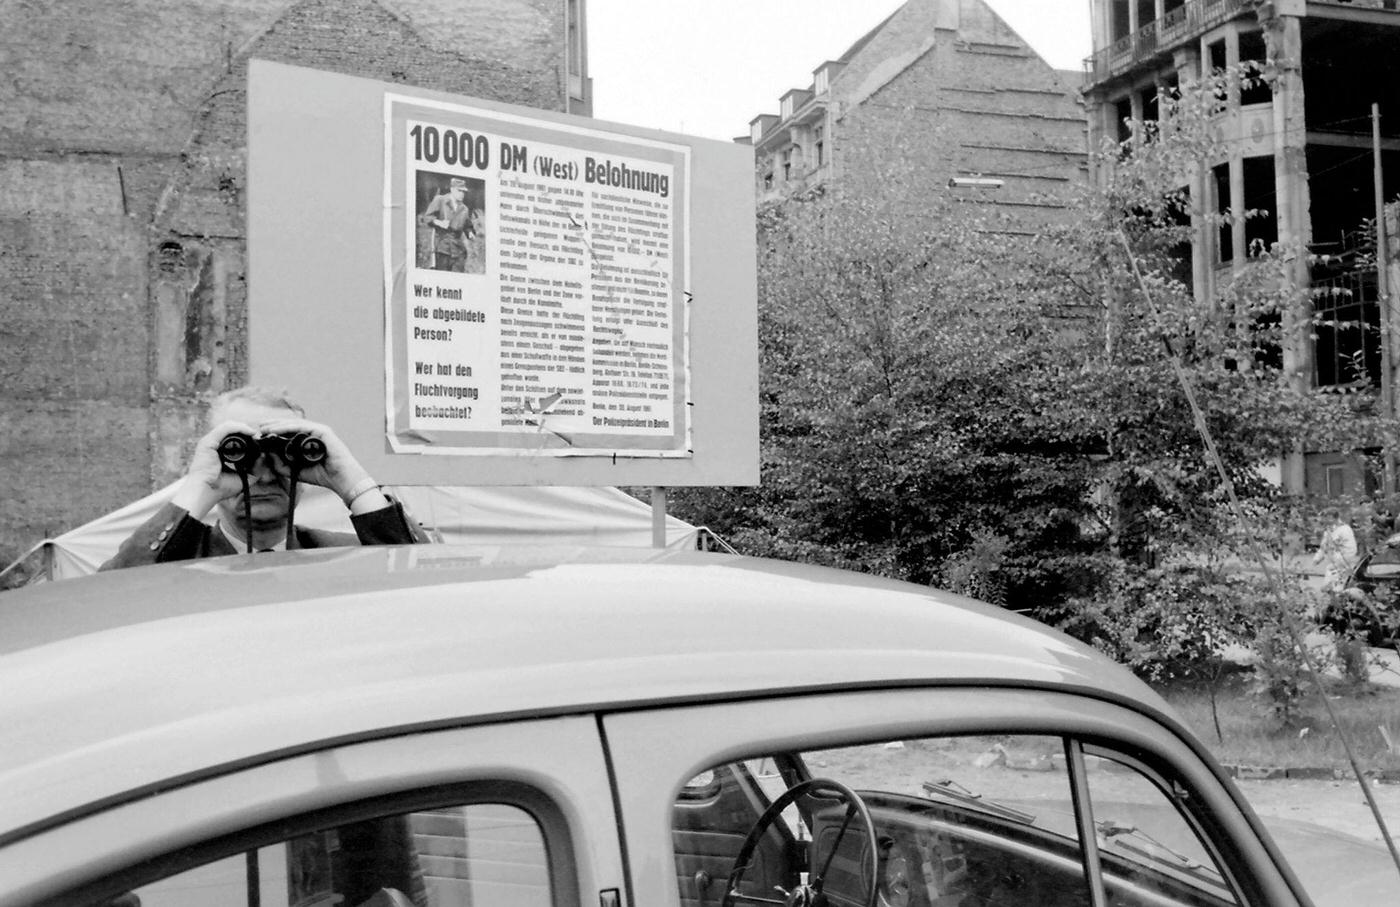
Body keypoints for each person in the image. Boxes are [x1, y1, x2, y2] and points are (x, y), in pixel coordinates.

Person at [102, 386, 421, 568]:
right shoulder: (173, 559)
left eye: (283, 456)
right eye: (243, 454)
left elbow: (424, 581)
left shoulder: (344, 557)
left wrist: (352, 483)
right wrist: (200, 486)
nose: (265, 475)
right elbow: (111, 597)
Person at [422, 177, 474, 272]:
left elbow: (467, 225)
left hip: (458, 250)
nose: (462, 194)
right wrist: (439, 223)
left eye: (464, 192)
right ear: (452, 189)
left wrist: (470, 233)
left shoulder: (464, 209)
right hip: (442, 247)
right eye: (459, 191)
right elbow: (427, 217)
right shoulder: (440, 200)